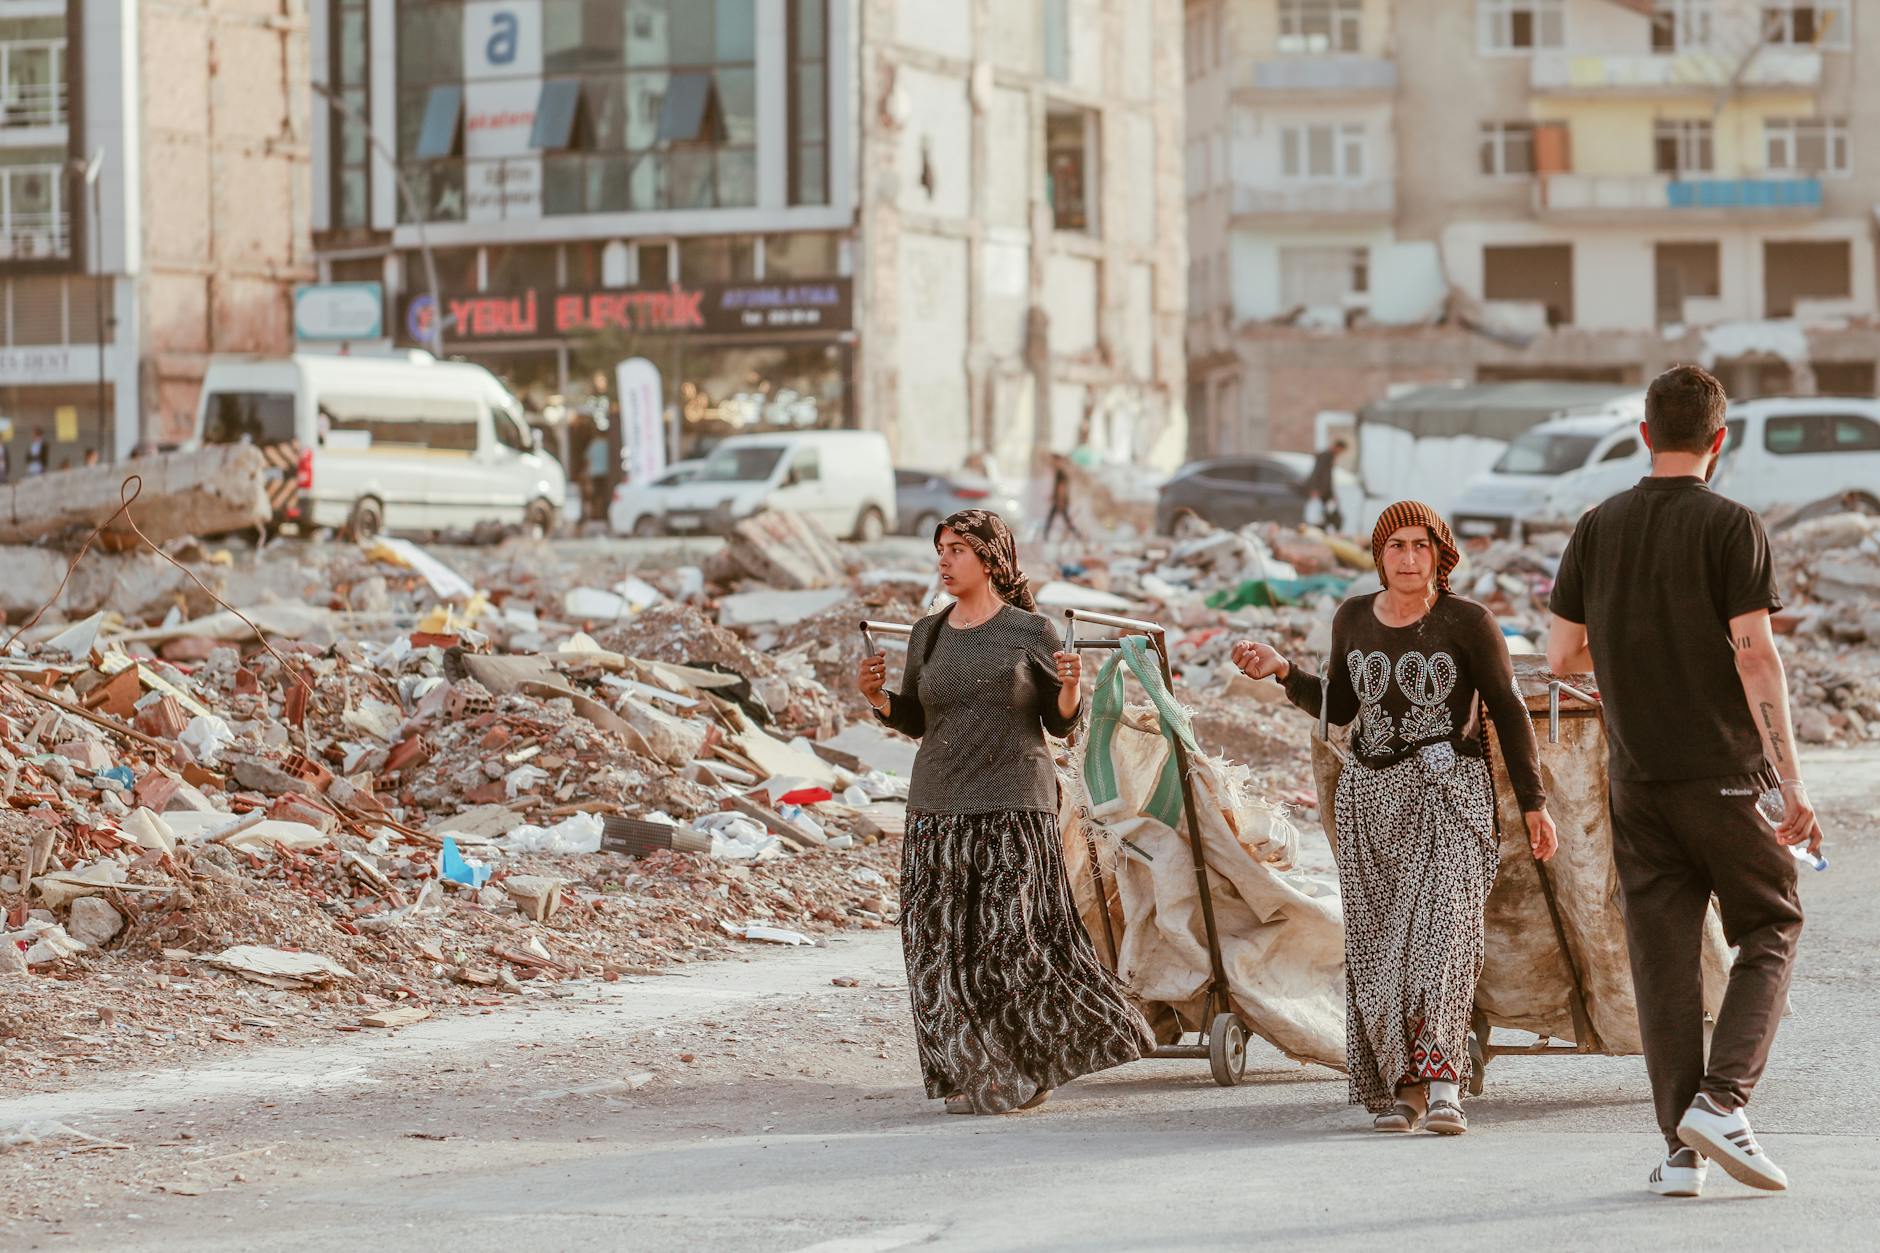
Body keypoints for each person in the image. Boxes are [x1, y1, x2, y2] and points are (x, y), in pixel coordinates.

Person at [1546, 364, 1815, 1198]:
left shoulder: (1596, 527)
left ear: (1644, 437)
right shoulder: (1734, 526)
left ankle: (1679, 1155)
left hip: (1637, 778)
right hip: (1727, 774)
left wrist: (1633, 661)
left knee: (1663, 963)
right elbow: (1755, 653)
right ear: (1720, 440)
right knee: (1771, 923)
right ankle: (1723, 1101)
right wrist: (1794, 782)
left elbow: (1561, 659)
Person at [1233, 501, 1557, 1135]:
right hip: (1370, 804)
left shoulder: (1470, 622)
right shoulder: (1352, 617)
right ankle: (1402, 1091)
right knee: (1382, 951)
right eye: (1396, 546)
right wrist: (1282, 673)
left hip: (1450, 796)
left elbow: (1510, 712)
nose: (1409, 558)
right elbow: (1343, 705)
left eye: (1421, 545)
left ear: (1440, 554)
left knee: (1443, 941)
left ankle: (1444, 1085)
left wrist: (1533, 803)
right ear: (1379, 556)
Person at [856, 509, 1153, 1114]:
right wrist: (876, 699)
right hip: (938, 805)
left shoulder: (1031, 632)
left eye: (958, 549)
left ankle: (1031, 1066)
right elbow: (917, 718)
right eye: (940, 547)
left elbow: (1059, 723)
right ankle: (972, 1068)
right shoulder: (927, 634)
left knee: (1011, 941)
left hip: (1014, 803)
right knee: (940, 946)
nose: (944, 559)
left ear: (991, 560)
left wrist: (1070, 689)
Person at [1306, 438, 1349, 532]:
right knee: (1323, 515)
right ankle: (1320, 531)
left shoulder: (1330, 457)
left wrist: (1333, 494)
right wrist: (1314, 489)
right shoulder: (1325, 456)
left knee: (1329, 514)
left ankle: (1325, 531)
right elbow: (1316, 473)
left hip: (1326, 492)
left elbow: (1328, 478)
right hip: (1321, 492)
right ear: (1337, 447)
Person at [1042, 454, 1081, 542]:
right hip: (1059, 500)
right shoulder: (1059, 473)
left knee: (1057, 519)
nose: (1052, 463)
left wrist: (1060, 500)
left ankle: (1078, 535)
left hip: (1060, 501)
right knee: (1060, 519)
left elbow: (1061, 488)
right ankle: (1077, 535)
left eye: (1054, 461)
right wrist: (1053, 496)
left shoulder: (1060, 473)